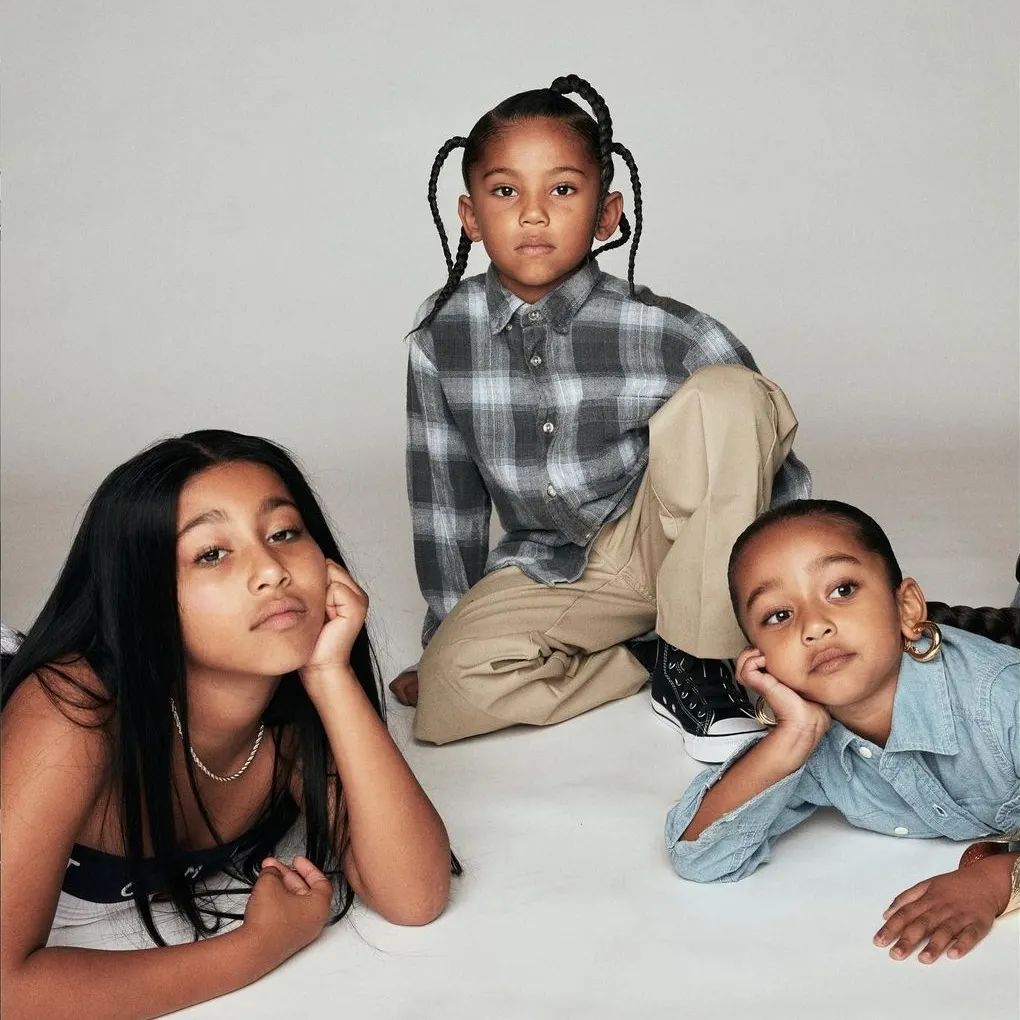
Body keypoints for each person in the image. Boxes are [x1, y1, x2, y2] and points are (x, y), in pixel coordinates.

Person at [390, 72, 811, 758]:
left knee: (732, 394)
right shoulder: (442, 337)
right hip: (556, 564)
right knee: (450, 693)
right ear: (470, 216)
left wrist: (797, 602)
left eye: (562, 190)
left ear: (607, 214)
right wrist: (446, 634)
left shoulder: (674, 332)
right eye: (506, 192)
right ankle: (652, 655)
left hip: (681, 546)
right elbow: (446, 501)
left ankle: (704, 658)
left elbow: (764, 471)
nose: (533, 214)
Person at [1, 430, 453, 1019]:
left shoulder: (289, 728)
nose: (271, 571)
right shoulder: (72, 710)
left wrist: (329, 675)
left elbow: (415, 896)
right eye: (212, 553)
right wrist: (257, 947)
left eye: (284, 533)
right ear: (142, 593)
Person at [667, 499, 1020, 964]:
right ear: (758, 658)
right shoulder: (814, 742)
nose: (814, 626)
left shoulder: (1001, 701)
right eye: (778, 616)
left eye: (842, 589)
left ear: (906, 607)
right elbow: (700, 856)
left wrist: (996, 879)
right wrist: (792, 736)